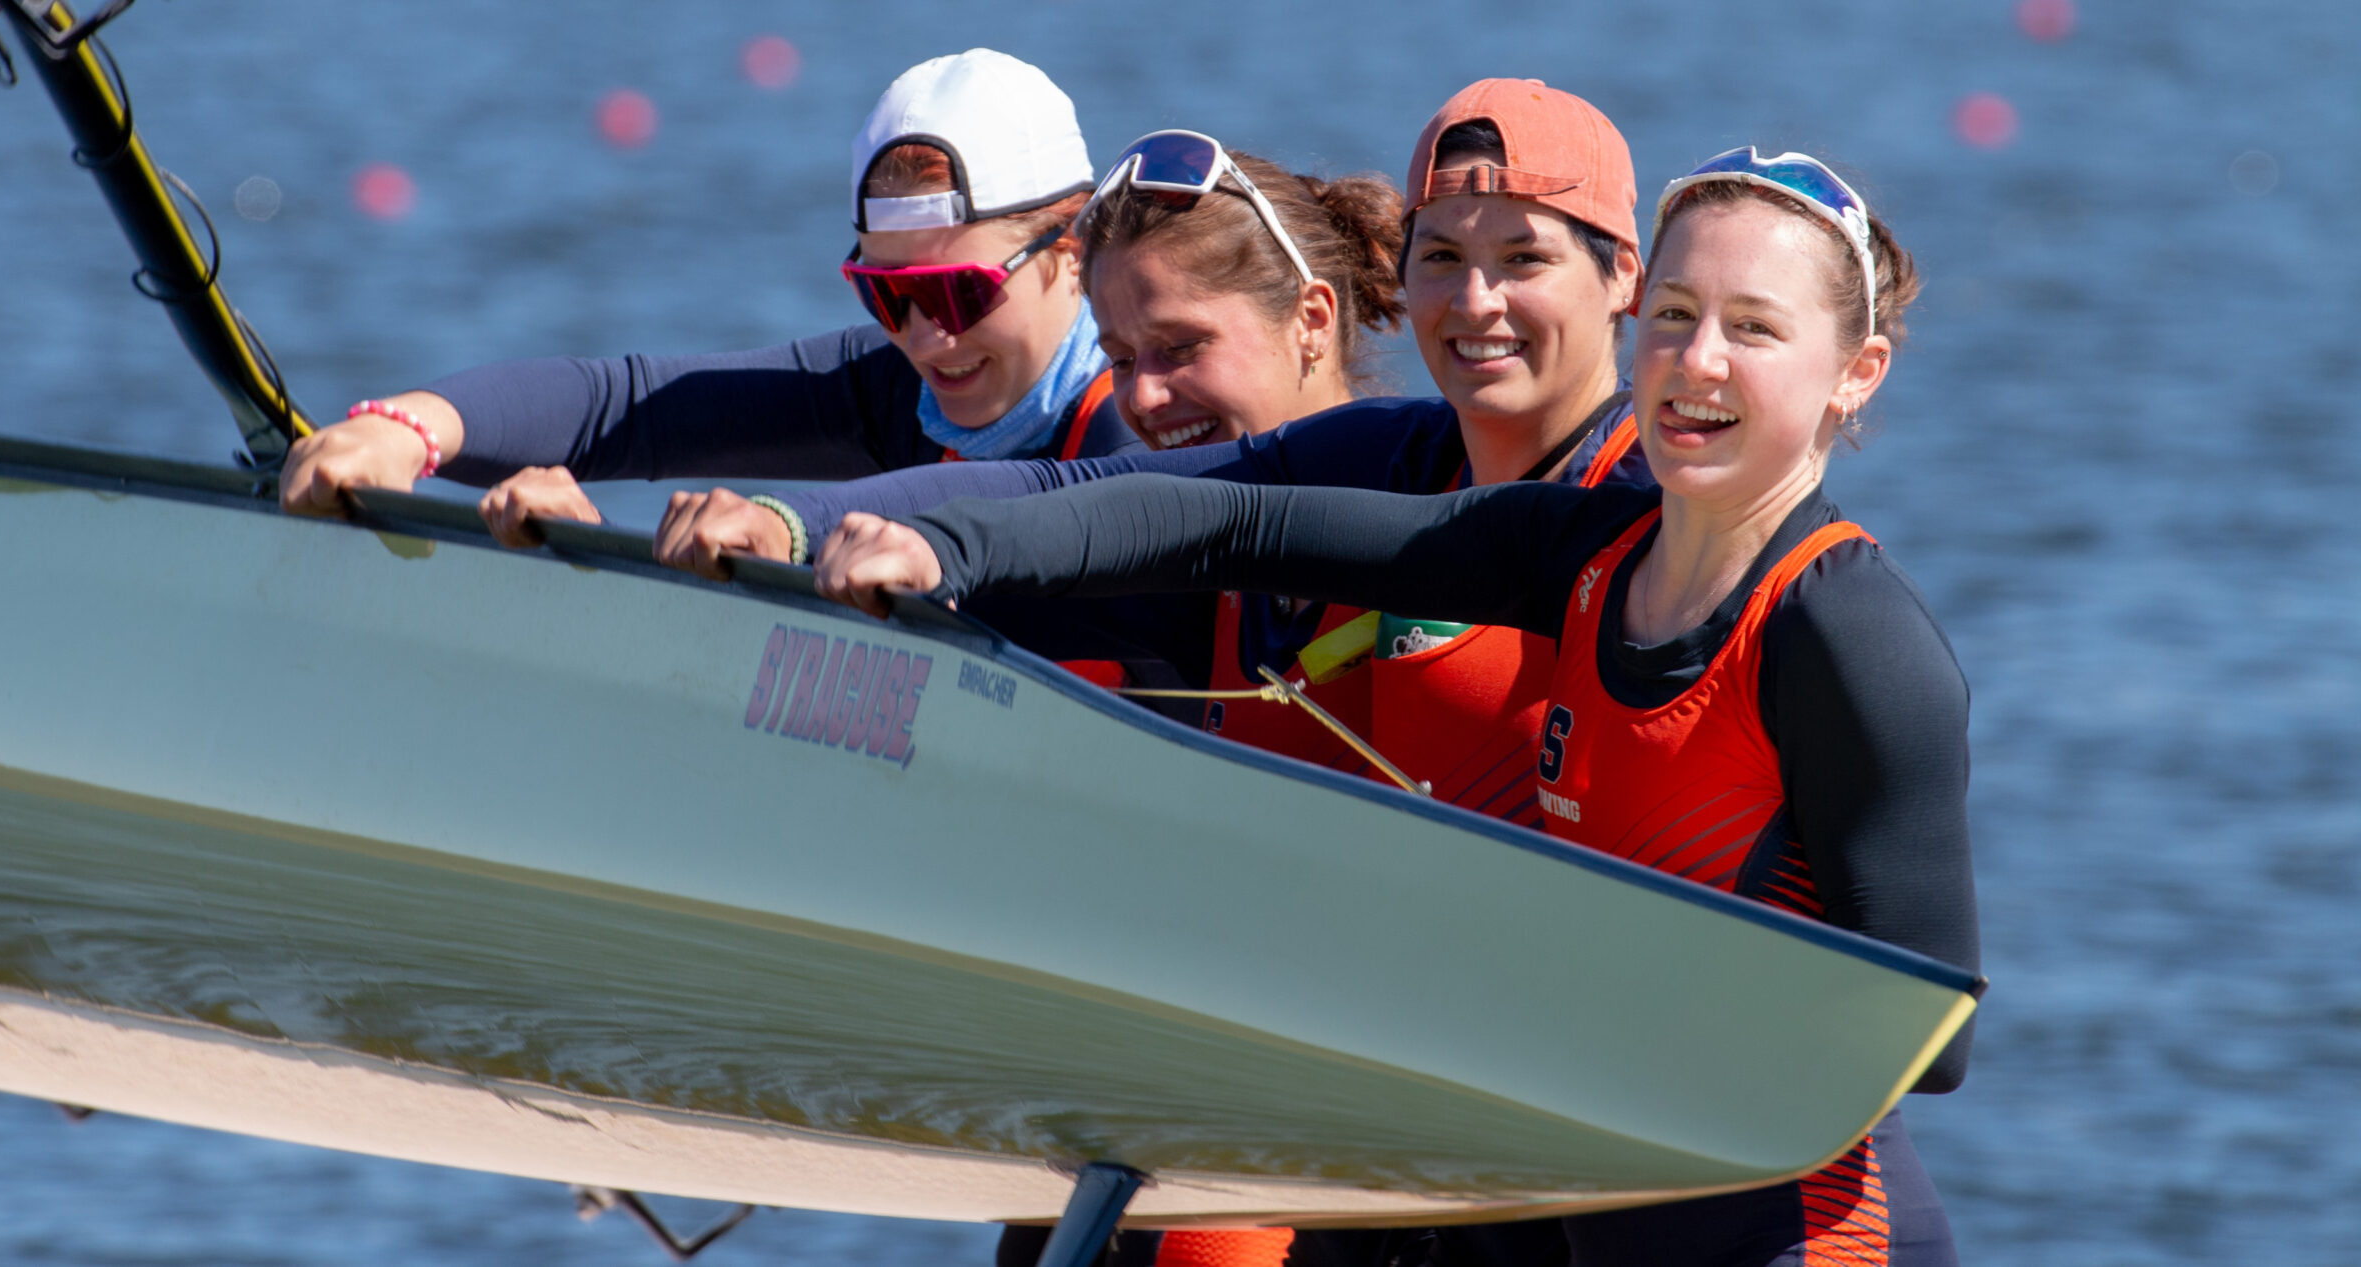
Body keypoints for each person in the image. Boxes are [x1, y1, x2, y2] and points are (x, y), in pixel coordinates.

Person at [813, 147, 1977, 1266]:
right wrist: (936, 542)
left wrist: (1548, 966)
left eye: (1753, 328)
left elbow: (1928, 1042)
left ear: (1853, 373)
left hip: (1809, 1240)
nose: (1698, 360)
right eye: (1674, 316)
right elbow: (1230, 521)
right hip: (1609, 1210)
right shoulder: (1575, 554)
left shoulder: (1844, 629)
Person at [663, 80, 1651, 813]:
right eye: (1441, 258)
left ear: (1625, 282)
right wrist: (797, 526)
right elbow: (1096, 490)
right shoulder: (1382, 457)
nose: (1474, 301)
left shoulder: (1659, 501)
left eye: (1523, 258)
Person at [276, 49, 1141, 534]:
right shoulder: (909, 393)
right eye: (885, 296)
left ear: (1073, 251)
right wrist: (406, 429)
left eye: (956, 294)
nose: (924, 339)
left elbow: (1018, 527)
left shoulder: (1147, 419)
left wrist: (777, 528)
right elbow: (631, 405)